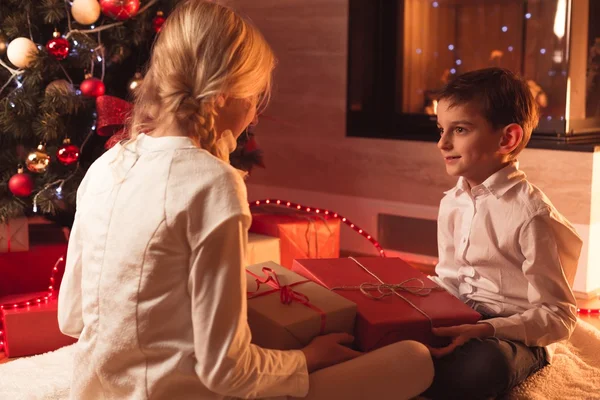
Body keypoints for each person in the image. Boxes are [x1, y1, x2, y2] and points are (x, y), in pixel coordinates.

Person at [57, 1, 433, 399]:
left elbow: (72, 317)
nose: (254, 116)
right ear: (221, 95)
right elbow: (227, 372)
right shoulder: (212, 183)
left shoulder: (109, 163)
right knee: (415, 358)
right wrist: (306, 358)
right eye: (254, 97)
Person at [424, 67, 582, 399]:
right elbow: (449, 279)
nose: (442, 143)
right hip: (463, 318)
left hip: (512, 336)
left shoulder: (532, 215)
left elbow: (560, 316)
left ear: (507, 138)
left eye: (460, 129)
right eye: (441, 129)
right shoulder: (451, 202)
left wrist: (485, 328)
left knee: (484, 366)